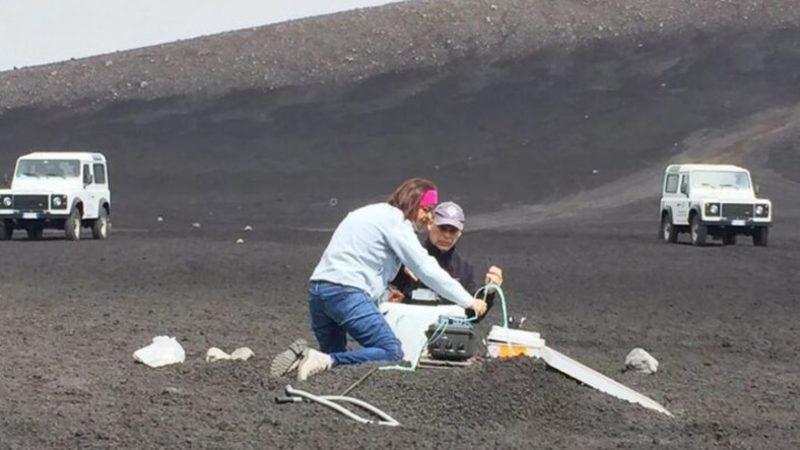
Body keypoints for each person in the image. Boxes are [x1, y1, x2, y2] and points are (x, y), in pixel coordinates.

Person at [271, 178, 488, 381]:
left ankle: (301, 361)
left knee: (333, 366)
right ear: (412, 203)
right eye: (426, 210)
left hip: (318, 292)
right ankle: (320, 359)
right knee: (391, 352)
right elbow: (425, 267)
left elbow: (361, 256)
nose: (429, 217)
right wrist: (468, 301)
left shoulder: (364, 213)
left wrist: (386, 289)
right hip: (346, 293)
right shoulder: (397, 222)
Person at [387, 201, 503, 317]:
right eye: (442, 228)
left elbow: (472, 316)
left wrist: (489, 292)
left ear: (459, 233)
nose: (447, 235)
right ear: (430, 224)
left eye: (453, 230)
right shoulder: (407, 257)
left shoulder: (464, 268)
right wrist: (390, 300)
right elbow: (384, 294)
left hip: (447, 327)